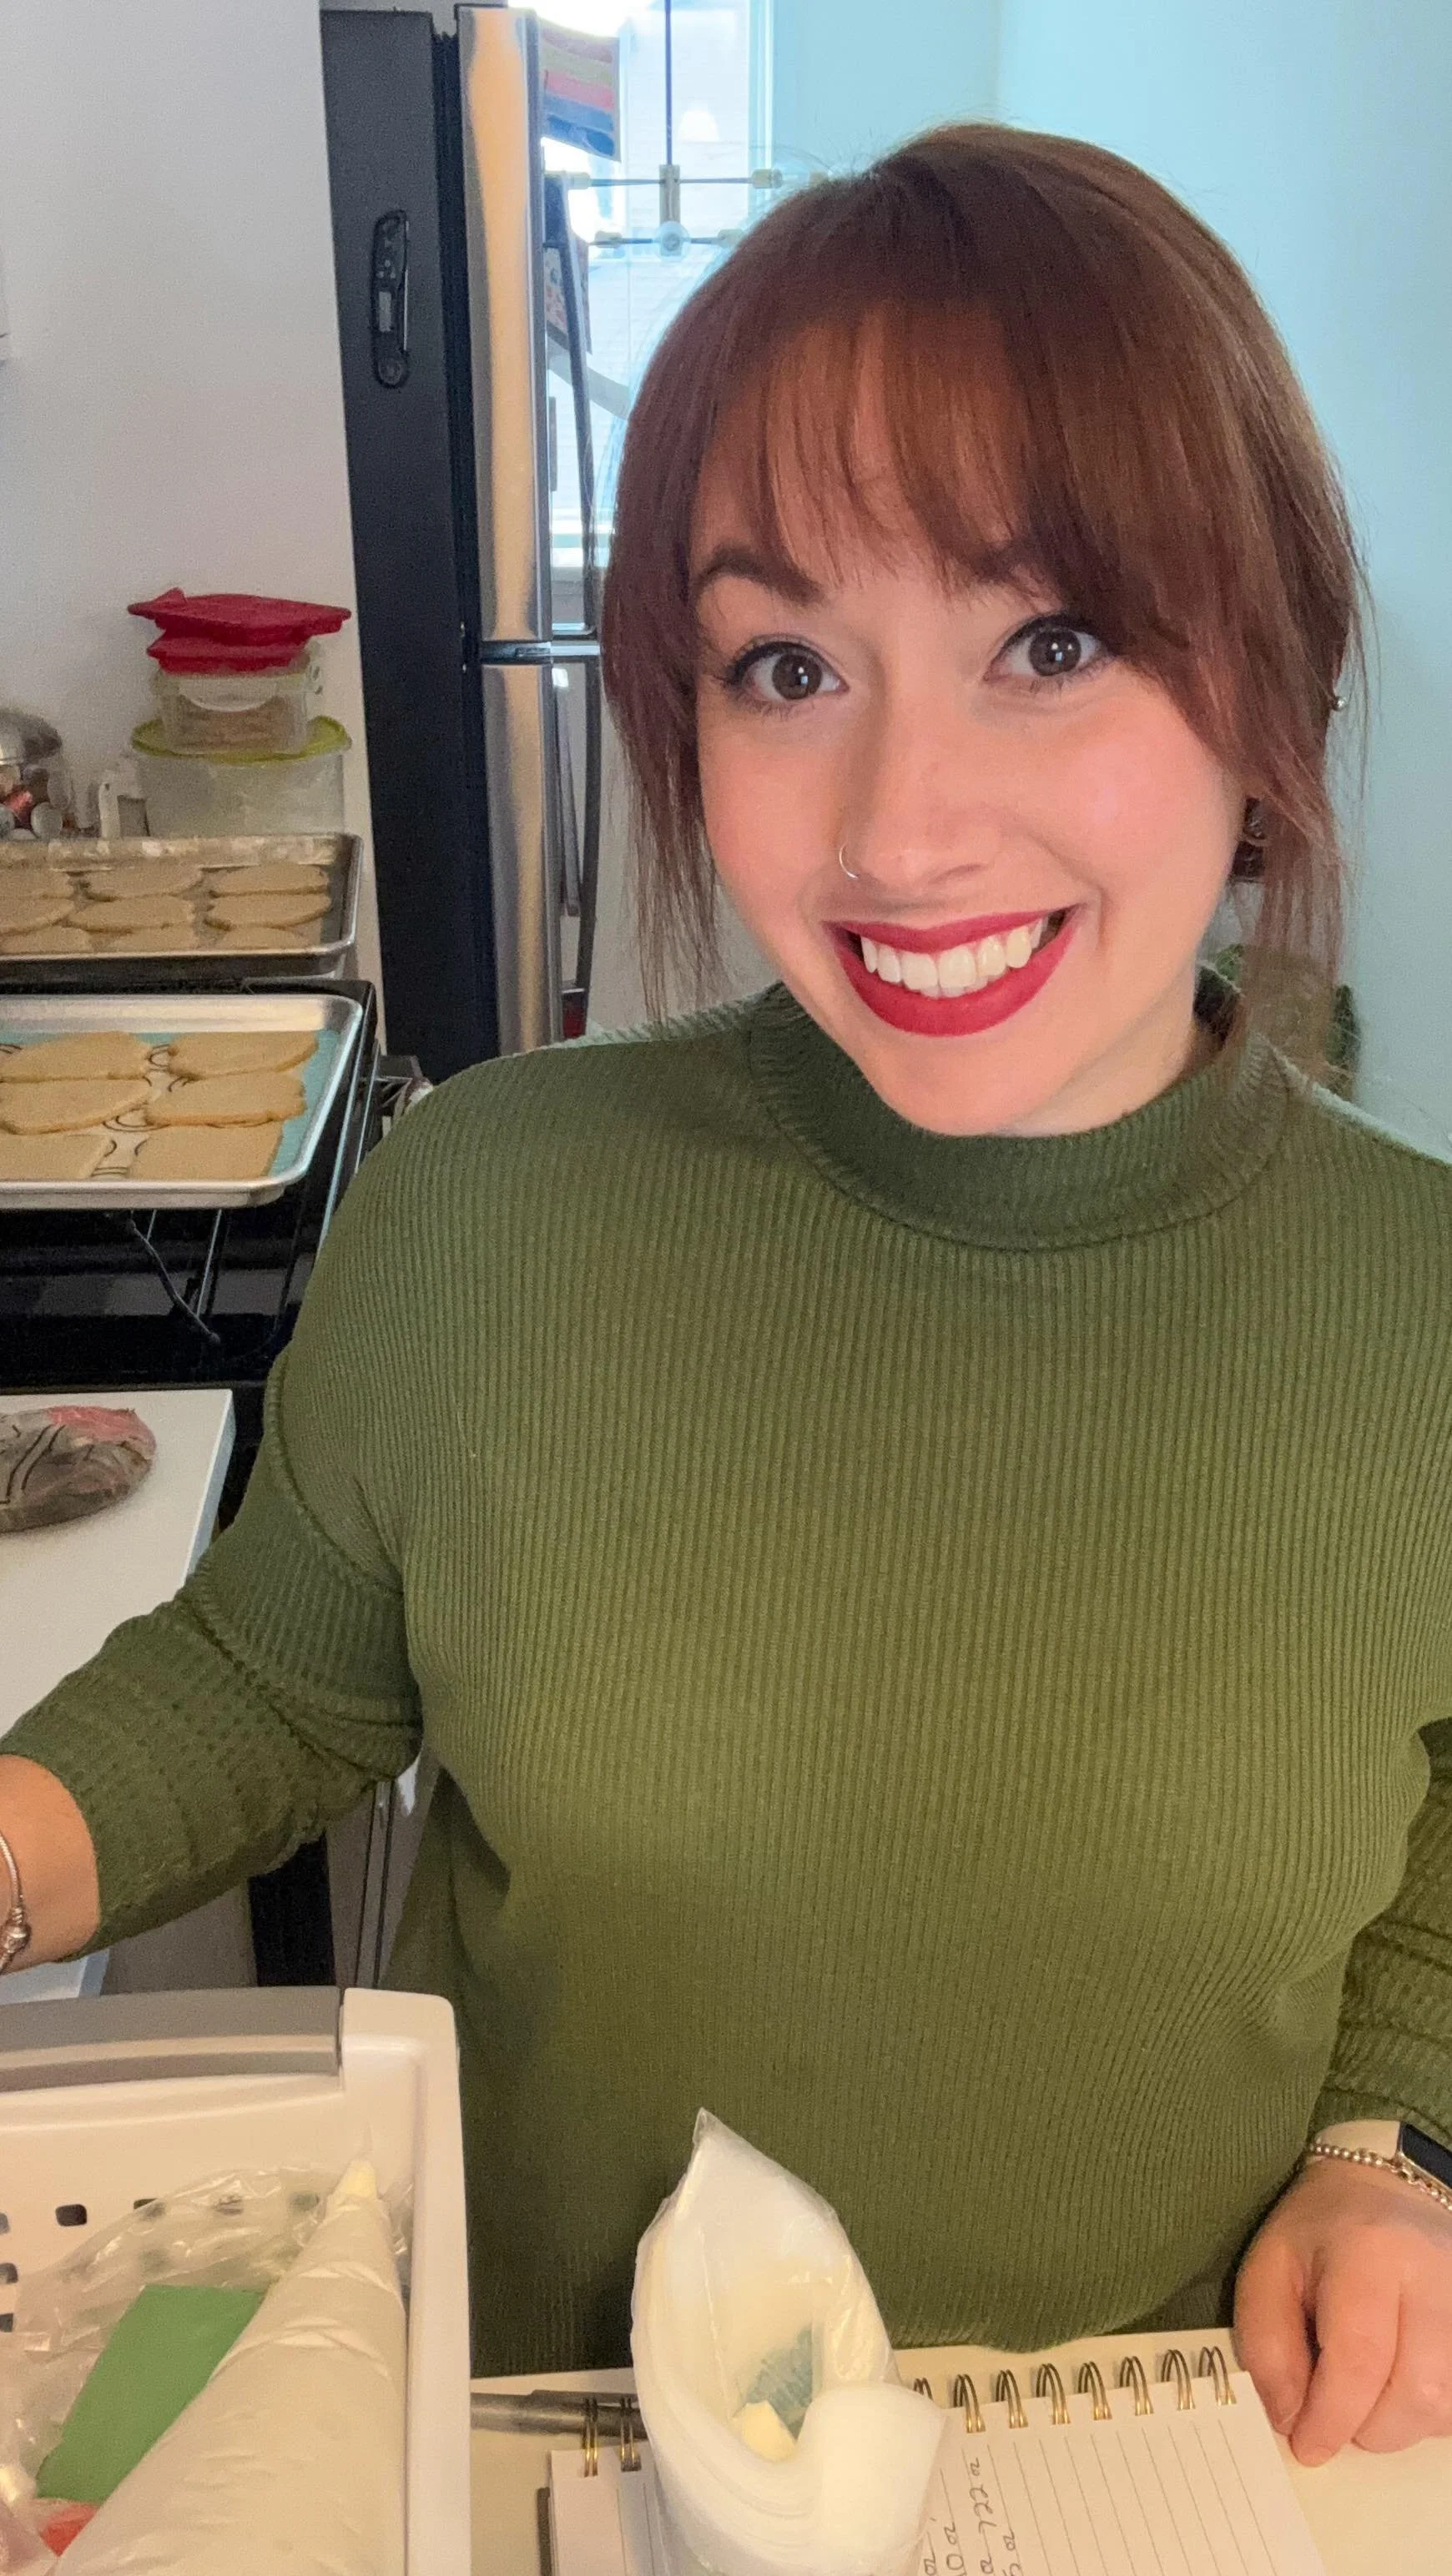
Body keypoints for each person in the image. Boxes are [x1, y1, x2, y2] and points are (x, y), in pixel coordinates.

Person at [3, 123, 1451, 2463]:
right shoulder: (497, 1206)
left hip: (1161, 2454)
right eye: (787, 665)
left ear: (1270, 668)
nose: (898, 829)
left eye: (1048, 643)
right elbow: (273, 1682)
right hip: (556, 2447)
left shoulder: (1418, 1310)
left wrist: (1395, 2142)